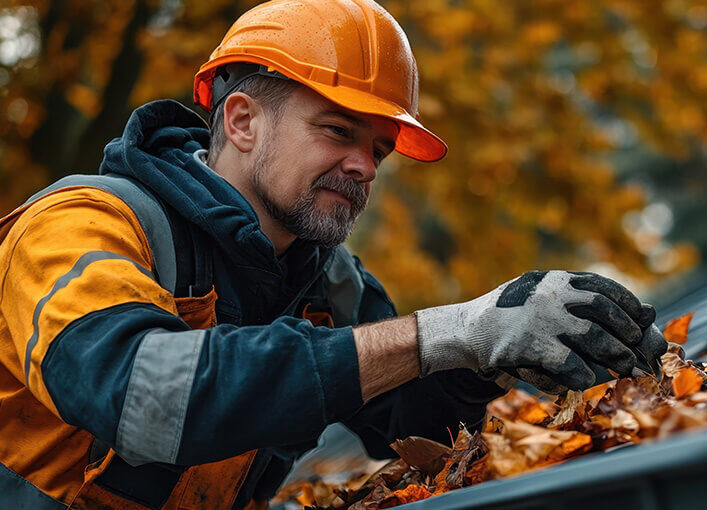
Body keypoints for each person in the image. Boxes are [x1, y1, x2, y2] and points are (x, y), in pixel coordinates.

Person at [0, 0, 669, 508]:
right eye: (338, 131)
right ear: (241, 121)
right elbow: (148, 400)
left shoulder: (324, 279)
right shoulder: (80, 226)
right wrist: (446, 330)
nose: (365, 167)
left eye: (378, 150)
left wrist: (493, 350)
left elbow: (411, 429)